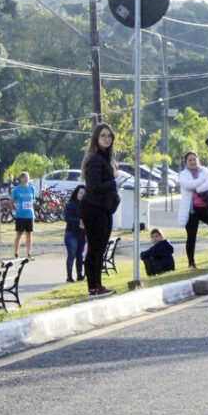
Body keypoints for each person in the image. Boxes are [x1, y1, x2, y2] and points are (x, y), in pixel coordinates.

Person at [80, 124, 119, 298]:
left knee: (100, 248)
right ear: (96, 138)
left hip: (104, 209)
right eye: (103, 136)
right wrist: (115, 183)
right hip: (94, 209)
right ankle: (93, 287)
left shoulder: (105, 158)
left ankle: (98, 285)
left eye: (109, 136)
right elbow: (94, 187)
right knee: (95, 249)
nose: (106, 139)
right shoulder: (95, 159)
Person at [11, 172, 36, 261]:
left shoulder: (31, 188)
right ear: (20, 179)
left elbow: (32, 200)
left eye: (27, 177)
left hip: (29, 215)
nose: (25, 179)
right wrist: (14, 209)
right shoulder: (17, 189)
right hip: (20, 215)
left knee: (29, 234)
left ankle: (28, 254)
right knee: (19, 233)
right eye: (24, 178)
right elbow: (12, 201)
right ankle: (16, 253)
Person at [63, 185, 86, 283]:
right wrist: (79, 221)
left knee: (80, 255)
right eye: (80, 193)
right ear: (76, 193)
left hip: (82, 234)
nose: (82, 195)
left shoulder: (86, 206)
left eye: (84, 194)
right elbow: (67, 218)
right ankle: (69, 276)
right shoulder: (71, 204)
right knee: (71, 254)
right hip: (71, 233)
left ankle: (79, 275)